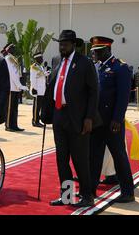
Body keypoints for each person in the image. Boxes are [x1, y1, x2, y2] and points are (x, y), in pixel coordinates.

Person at [41, 30, 100, 208]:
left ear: (74, 45)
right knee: (61, 159)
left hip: (79, 118)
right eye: (60, 44)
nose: (62, 47)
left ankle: (87, 195)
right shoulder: (56, 60)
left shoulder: (85, 63)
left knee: (80, 158)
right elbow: (52, 87)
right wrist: (46, 112)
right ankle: (66, 195)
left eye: (65, 44)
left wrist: (89, 117)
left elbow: (93, 91)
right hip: (60, 115)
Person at [89, 36, 135, 203]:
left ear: (106, 50)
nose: (93, 54)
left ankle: (128, 192)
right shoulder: (98, 67)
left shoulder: (120, 67)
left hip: (112, 123)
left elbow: (123, 97)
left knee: (119, 156)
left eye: (97, 51)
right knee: (93, 156)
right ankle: (90, 191)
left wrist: (117, 118)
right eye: (93, 51)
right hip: (97, 121)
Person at [2, 43, 28, 132]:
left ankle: (14, 125)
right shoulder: (8, 59)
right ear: (8, 50)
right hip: (11, 86)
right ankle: (8, 125)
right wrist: (19, 85)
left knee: (15, 108)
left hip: (15, 86)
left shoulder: (13, 59)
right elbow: (12, 74)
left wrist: (19, 85)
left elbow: (17, 74)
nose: (14, 49)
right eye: (12, 48)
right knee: (10, 108)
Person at [30, 52, 48, 128]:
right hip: (37, 89)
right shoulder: (34, 67)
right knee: (36, 106)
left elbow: (42, 75)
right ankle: (35, 121)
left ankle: (37, 120)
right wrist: (34, 88)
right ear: (37, 59)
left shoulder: (40, 67)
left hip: (42, 89)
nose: (42, 59)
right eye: (41, 58)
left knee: (39, 106)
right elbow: (33, 79)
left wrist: (47, 73)